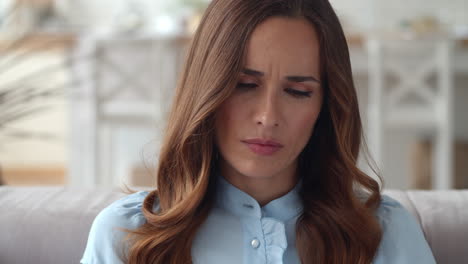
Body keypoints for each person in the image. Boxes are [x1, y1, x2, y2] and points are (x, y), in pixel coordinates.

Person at [80, 0, 436, 263]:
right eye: (244, 85)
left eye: (298, 92)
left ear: (326, 107)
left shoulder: (383, 233)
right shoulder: (127, 237)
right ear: (208, 90)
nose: (268, 116)